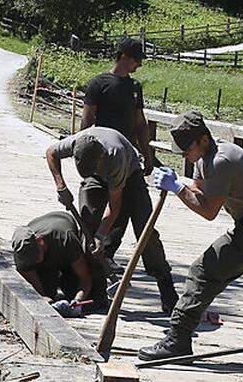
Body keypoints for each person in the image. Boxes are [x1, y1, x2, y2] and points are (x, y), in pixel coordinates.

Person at [136, 112, 243, 359]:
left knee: (203, 272)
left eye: (186, 148)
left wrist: (176, 188)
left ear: (204, 140)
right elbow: (198, 192)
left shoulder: (220, 160)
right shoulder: (203, 158)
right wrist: (180, 186)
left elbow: (207, 211)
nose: (184, 154)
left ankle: (178, 339)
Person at [45, 127, 178, 312]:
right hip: (96, 175)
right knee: (87, 227)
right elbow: (51, 153)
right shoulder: (77, 142)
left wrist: (101, 236)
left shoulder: (116, 157)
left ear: (100, 159)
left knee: (145, 232)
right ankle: (95, 294)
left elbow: (115, 208)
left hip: (130, 177)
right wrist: (61, 186)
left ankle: (168, 291)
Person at [81, 37, 159, 270]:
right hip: (102, 156)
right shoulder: (99, 84)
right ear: (124, 56)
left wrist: (147, 153)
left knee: (132, 206)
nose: (139, 64)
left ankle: (109, 251)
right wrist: (83, 156)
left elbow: (140, 123)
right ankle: (88, 256)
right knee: (95, 209)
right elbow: (87, 120)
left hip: (129, 158)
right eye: (137, 59)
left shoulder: (135, 88)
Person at [12, 211, 106, 317]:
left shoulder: (66, 239)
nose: (35, 260)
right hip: (47, 238)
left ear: (40, 241)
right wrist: (44, 297)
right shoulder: (21, 248)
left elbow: (85, 277)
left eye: (36, 256)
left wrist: (78, 299)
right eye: (31, 259)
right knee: (43, 291)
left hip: (63, 237)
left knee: (90, 296)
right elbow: (28, 274)